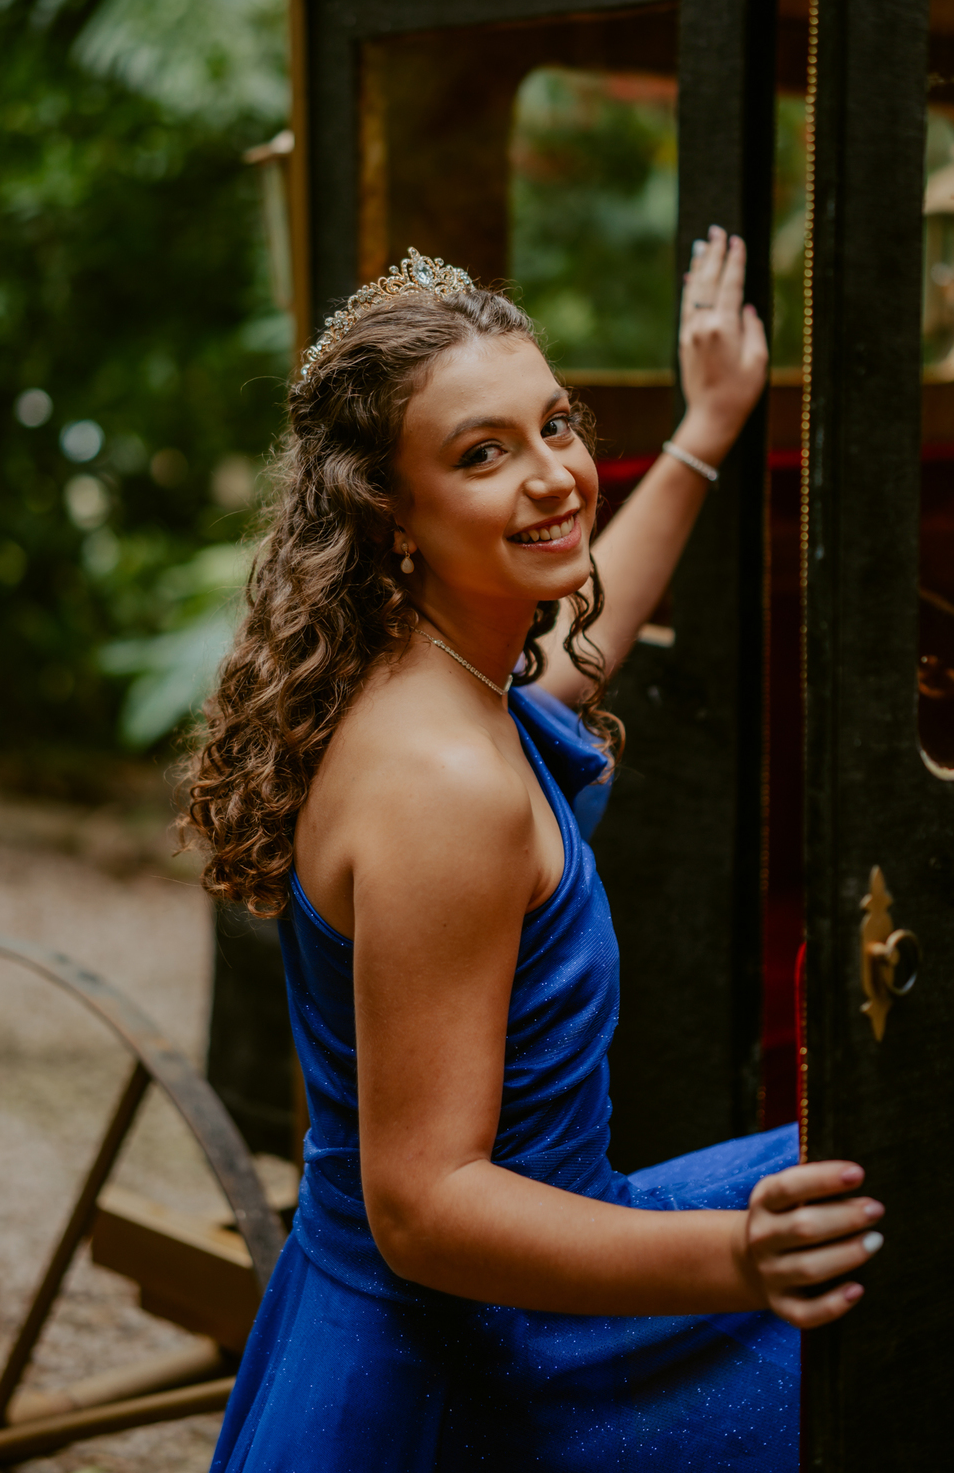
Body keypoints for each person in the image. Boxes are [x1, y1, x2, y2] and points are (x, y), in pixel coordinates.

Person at [188, 229, 883, 1472]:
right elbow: (423, 1209)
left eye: (557, 424)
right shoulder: (443, 786)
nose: (556, 474)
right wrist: (737, 1260)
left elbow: (575, 660)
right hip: (467, 1361)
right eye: (483, 453)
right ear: (388, 510)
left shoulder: (436, 666)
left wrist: (706, 425)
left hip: (426, 1303)